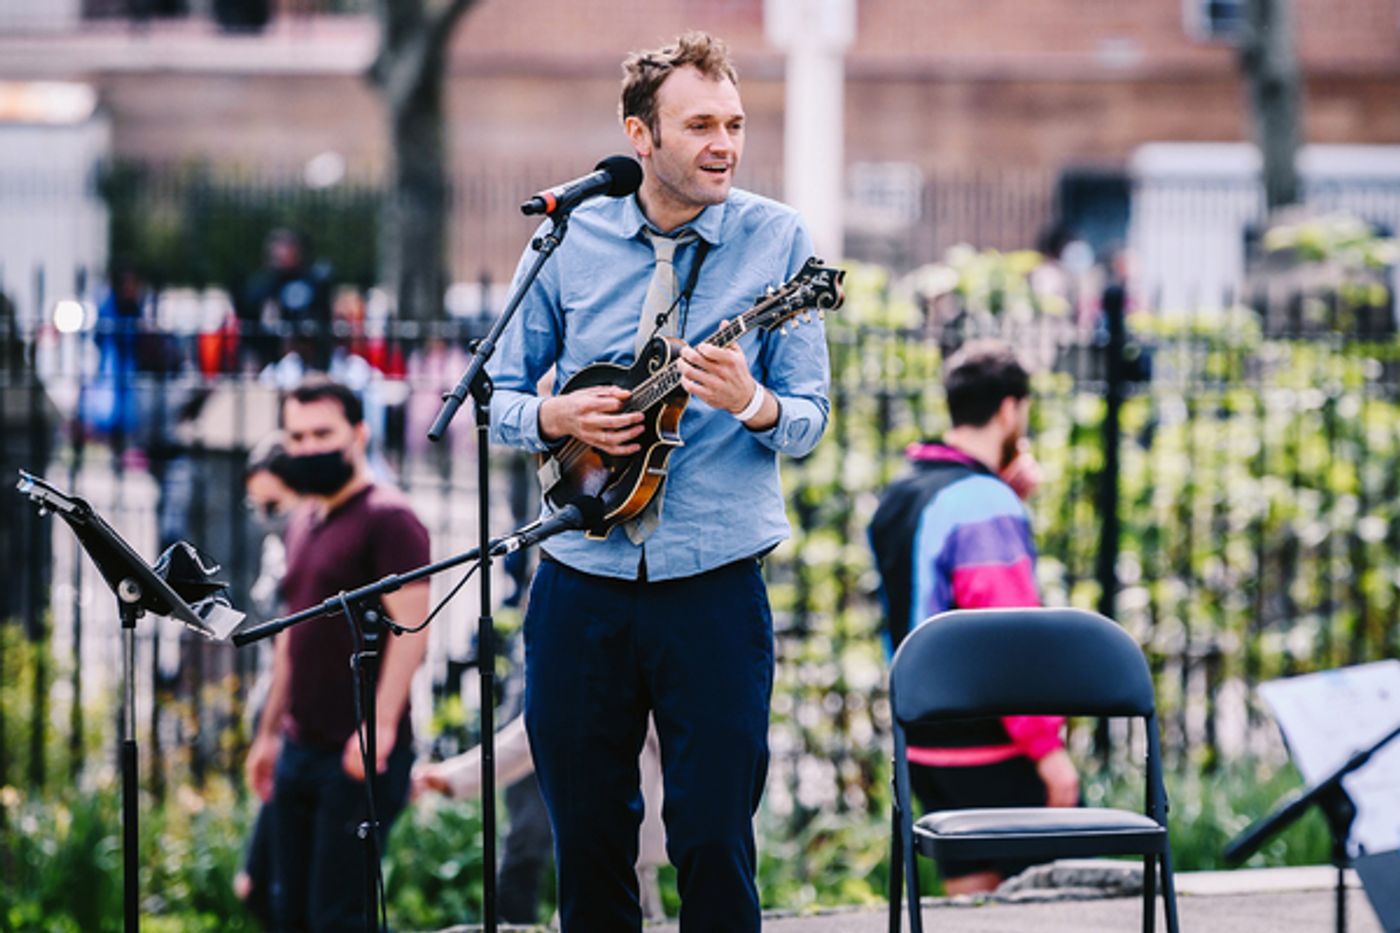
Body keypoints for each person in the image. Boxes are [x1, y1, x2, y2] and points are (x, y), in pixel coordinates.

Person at [486, 31, 830, 932]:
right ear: (640, 135)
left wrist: (752, 401)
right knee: (589, 845)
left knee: (714, 840)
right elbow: (493, 394)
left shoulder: (778, 239)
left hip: (714, 586)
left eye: (735, 125)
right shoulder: (568, 234)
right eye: (701, 125)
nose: (725, 145)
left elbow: (809, 418)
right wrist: (556, 416)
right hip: (579, 583)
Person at [868, 339, 1079, 896]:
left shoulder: (902, 492)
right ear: (1010, 409)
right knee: (1039, 904)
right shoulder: (984, 504)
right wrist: (1049, 751)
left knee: (971, 899)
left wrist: (1001, 493)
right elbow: (1010, 642)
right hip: (991, 744)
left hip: (923, 737)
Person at [243, 376, 431, 930]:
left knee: (338, 916)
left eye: (322, 434)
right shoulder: (304, 518)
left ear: (359, 433)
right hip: (299, 747)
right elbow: (291, 640)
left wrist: (380, 727)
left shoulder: (390, 518)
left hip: (356, 753)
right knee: (283, 909)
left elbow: (412, 630)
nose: (308, 448)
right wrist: (269, 733)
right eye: (297, 437)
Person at [234, 434, 301, 929]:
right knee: (259, 887)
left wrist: (271, 730)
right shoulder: (280, 542)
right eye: (257, 507)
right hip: (277, 719)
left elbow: (293, 649)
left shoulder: (311, 544)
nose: (265, 517)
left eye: (273, 505)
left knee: (278, 891)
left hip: (297, 728)